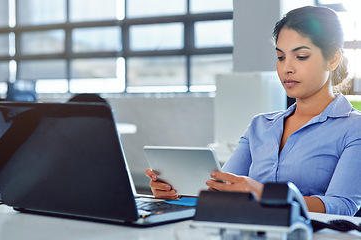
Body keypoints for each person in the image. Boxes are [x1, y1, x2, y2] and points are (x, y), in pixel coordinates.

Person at [145, 5, 361, 216]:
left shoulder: (353, 127)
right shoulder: (261, 125)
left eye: (301, 56)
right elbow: (222, 187)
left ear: (333, 59)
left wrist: (262, 193)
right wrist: (176, 192)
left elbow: (343, 205)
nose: (287, 68)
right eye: (280, 57)